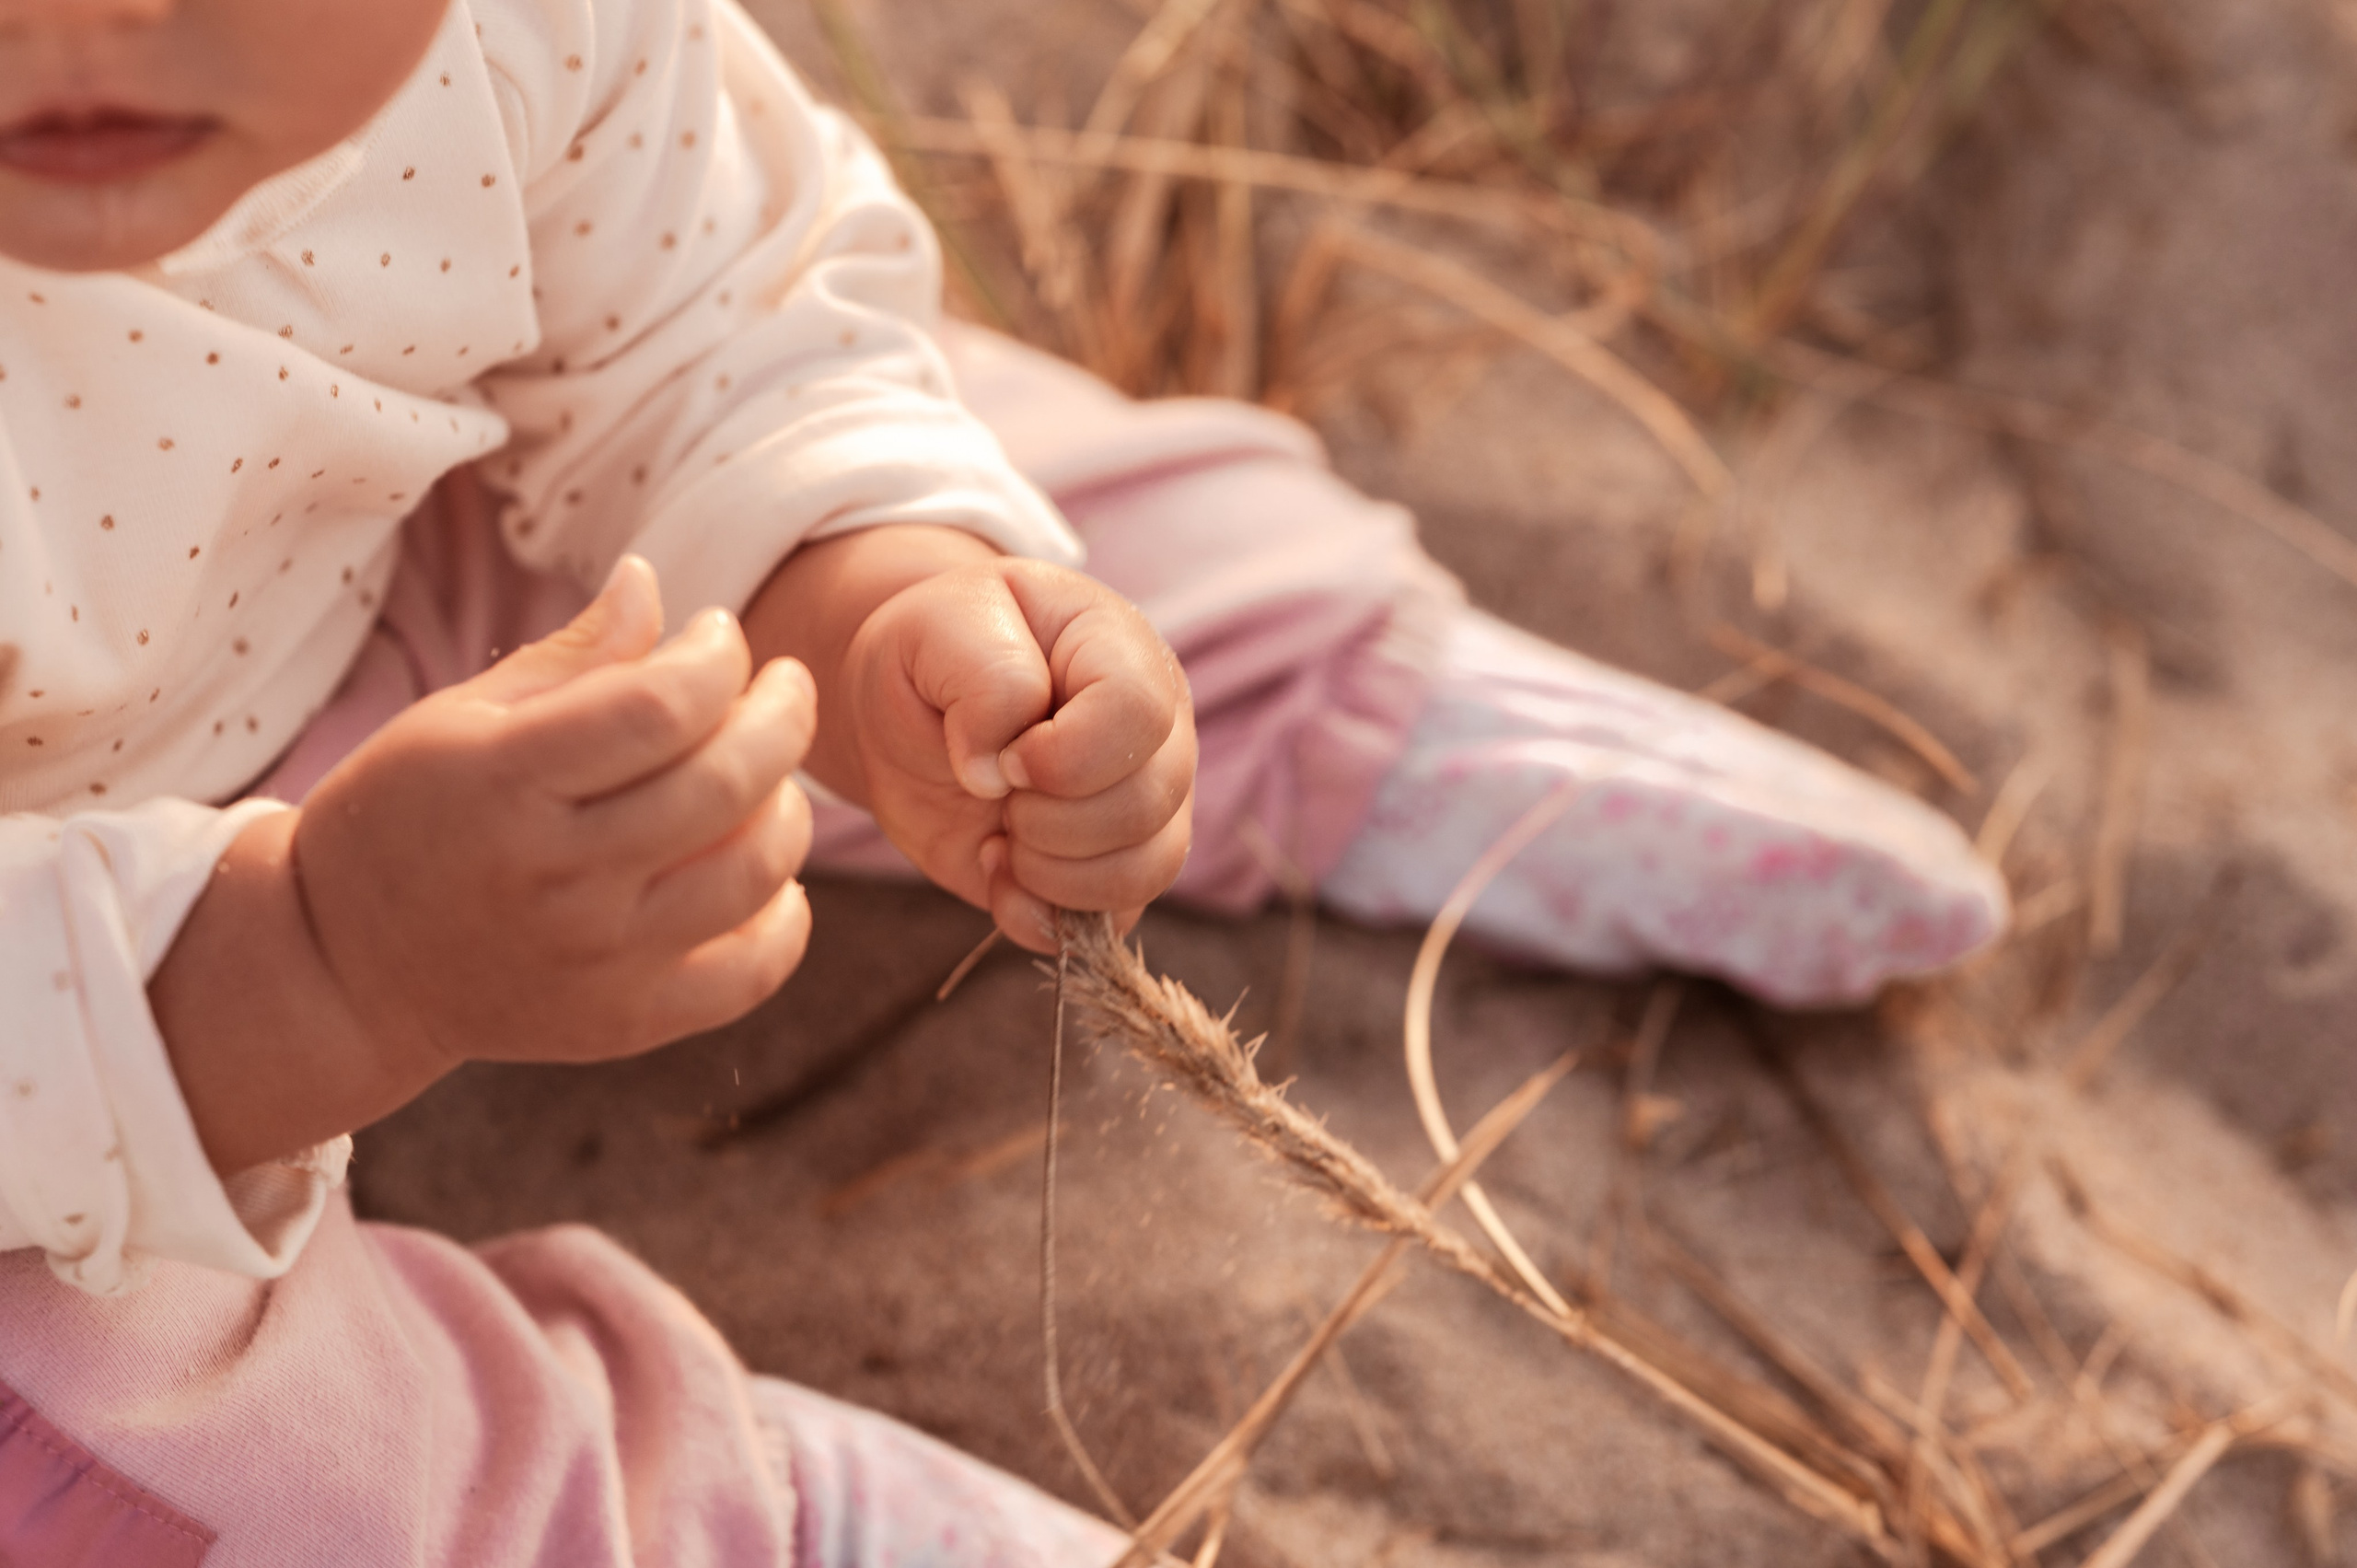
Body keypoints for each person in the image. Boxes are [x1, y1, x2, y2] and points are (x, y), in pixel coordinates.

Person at [0, 0, 2007, 1562]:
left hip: (332, 611)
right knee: (117, 1481)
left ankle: (1302, 690)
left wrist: (889, 608)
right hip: (59, 1046)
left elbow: (719, 328)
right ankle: (692, 1523)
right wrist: (323, 967)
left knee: (915, 516)